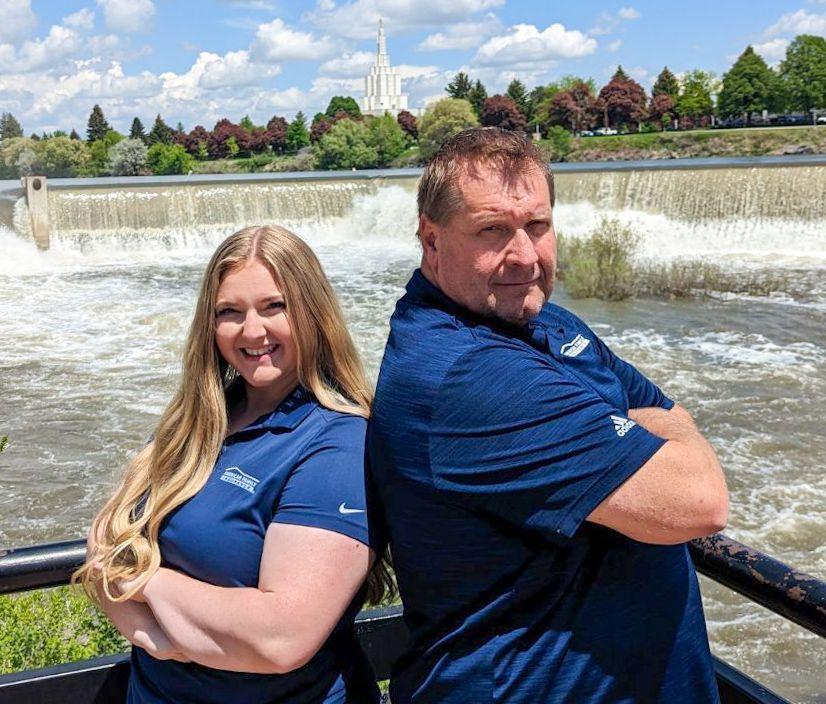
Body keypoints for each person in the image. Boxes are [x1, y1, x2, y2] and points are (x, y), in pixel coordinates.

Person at [368, 128, 729, 703]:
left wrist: (649, 427)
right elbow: (697, 501)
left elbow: (666, 409)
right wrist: (656, 432)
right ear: (430, 240)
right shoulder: (466, 373)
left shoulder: (547, 323)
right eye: (493, 231)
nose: (526, 256)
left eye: (537, 225)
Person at [75, 225, 391, 704]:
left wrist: (145, 581)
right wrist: (159, 641)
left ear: (312, 312)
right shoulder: (198, 420)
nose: (252, 331)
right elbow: (105, 544)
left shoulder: (340, 441)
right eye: (229, 312)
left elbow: (282, 638)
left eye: (274, 306)